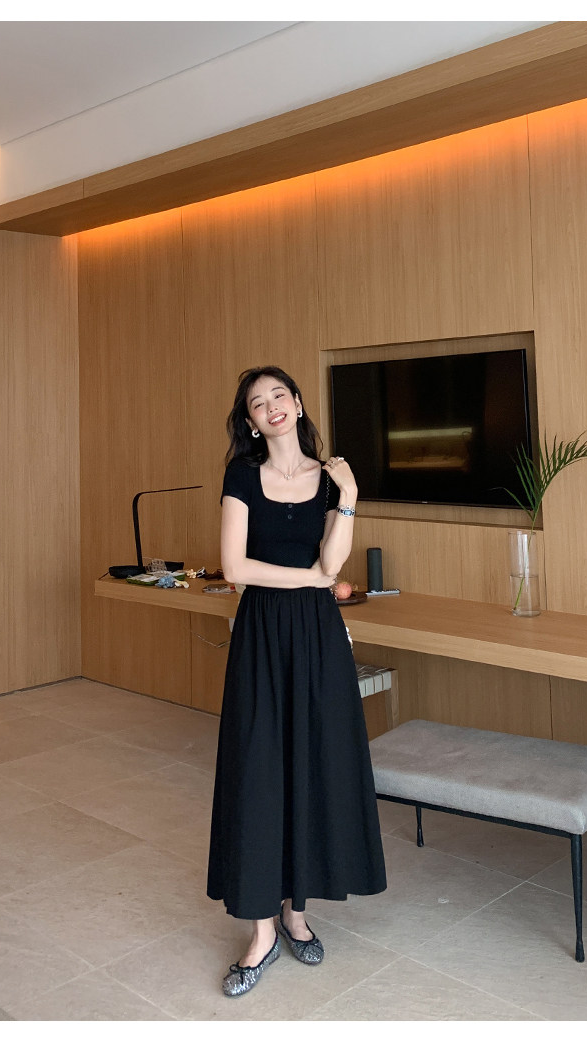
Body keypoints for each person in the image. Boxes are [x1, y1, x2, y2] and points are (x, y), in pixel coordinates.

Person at [207, 365, 387, 997]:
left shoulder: (329, 478)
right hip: (261, 634)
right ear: (251, 421)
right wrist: (309, 579)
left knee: (311, 766)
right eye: (257, 403)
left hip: (316, 638)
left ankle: (296, 914)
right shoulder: (241, 476)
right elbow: (235, 567)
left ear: (298, 403)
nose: (271, 407)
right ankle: (260, 932)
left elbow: (332, 562)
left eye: (278, 395)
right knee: (257, 771)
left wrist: (349, 497)